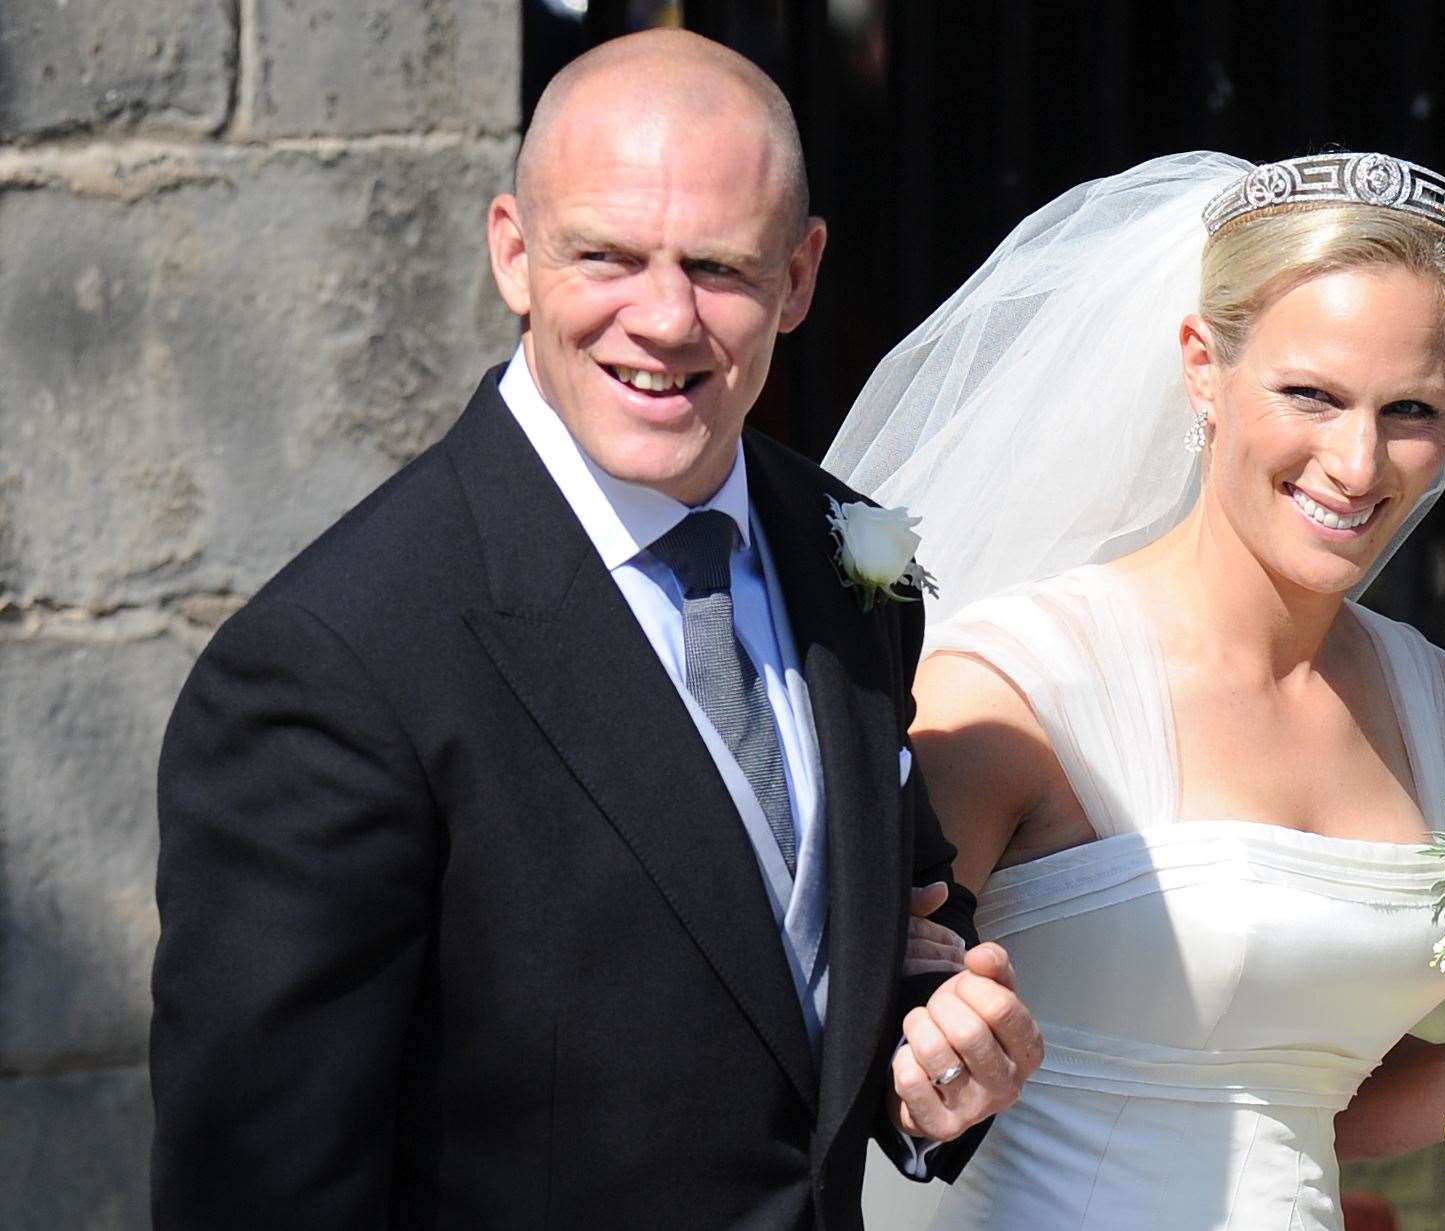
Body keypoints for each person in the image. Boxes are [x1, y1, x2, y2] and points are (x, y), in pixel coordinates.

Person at [150, 30, 1038, 1230]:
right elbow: (261, 1186)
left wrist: (932, 1065)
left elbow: (864, 931)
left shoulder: (851, 553)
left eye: (719, 266)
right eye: (607, 256)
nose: (665, 319)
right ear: (514, 253)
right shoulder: (334, 664)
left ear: (800, 274)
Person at [828, 152, 1445, 1229]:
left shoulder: (1434, 701)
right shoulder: (1018, 687)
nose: (1359, 463)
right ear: (1203, 367)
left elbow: (1308, 1082)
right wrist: (925, 1072)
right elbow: (851, 1046)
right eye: (1311, 394)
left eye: (1409, 408)